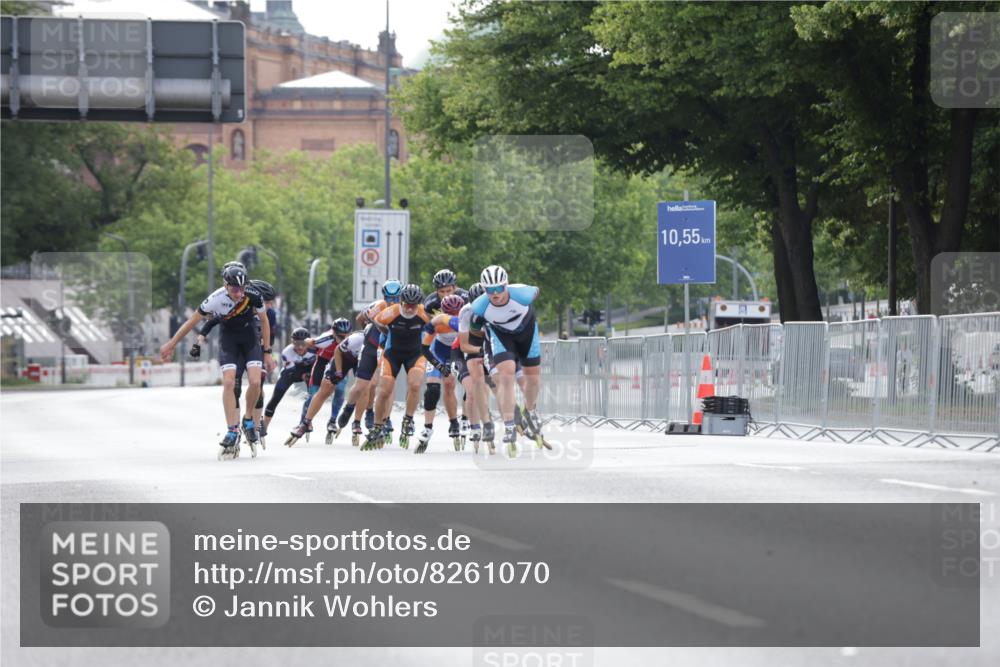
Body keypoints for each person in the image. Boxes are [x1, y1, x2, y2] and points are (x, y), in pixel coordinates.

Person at [160, 265, 275, 460]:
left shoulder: (253, 294)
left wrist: (267, 352)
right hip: (229, 341)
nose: (239, 293)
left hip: (250, 340)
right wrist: (171, 344)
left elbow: (264, 321)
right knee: (229, 382)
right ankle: (232, 429)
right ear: (225, 285)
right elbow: (192, 322)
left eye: (241, 288)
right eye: (234, 289)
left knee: (256, 382)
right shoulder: (215, 299)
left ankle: (248, 419)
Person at [469, 265, 543, 457]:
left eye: (499, 288)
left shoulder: (524, 295)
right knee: (506, 374)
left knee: (533, 379)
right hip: (502, 336)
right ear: (484, 290)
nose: (495, 294)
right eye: (490, 290)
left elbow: (537, 290)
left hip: (527, 332)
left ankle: (531, 410)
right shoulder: (479, 306)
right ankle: (509, 423)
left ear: (506, 285)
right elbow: (475, 330)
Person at [365, 284, 431, 450]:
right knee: (384, 390)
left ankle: (408, 420)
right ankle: (378, 426)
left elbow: (433, 328)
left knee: (415, 385)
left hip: (416, 354)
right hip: (392, 353)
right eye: (406, 304)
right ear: (401, 301)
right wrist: (386, 333)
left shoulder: (423, 313)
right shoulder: (392, 311)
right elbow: (376, 321)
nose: (409, 308)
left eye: (413, 305)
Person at [336, 280, 402, 446]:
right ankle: (349, 408)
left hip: (388, 349)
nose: (392, 301)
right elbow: (359, 318)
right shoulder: (378, 306)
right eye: (389, 297)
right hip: (371, 345)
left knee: (386, 384)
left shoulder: (404, 309)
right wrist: (369, 324)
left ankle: (385, 419)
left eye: (396, 298)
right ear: (383, 296)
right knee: (362, 385)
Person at [286, 327, 364, 447]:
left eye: (345, 336)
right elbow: (310, 342)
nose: (343, 338)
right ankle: (305, 422)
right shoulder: (328, 339)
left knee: (364, 386)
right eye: (340, 336)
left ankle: (355, 421)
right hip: (334, 359)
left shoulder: (369, 340)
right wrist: (306, 346)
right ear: (334, 334)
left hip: (360, 358)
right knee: (323, 390)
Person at [422, 270, 470, 443]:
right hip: (440, 345)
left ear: (455, 288)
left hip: (459, 345)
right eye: (441, 291)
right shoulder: (430, 304)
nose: (445, 295)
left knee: (459, 384)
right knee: (434, 389)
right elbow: (429, 331)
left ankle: (464, 418)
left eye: (449, 291)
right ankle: (448, 423)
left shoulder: (466, 299)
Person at [416, 292, 466, 453]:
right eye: (449, 313)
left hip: (455, 352)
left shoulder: (464, 321)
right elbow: (424, 348)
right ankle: (428, 427)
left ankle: (454, 423)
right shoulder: (437, 322)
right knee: (432, 390)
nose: (453, 316)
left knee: (450, 385)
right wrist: (440, 366)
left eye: (456, 313)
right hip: (438, 352)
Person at [457, 282, 494, 454]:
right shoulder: (466, 312)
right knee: (473, 390)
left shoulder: (496, 308)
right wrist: (481, 350)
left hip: (488, 348)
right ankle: (475, 427)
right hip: (469, 350)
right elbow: (464, 346)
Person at [259, 327, 314, 438]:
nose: (299, 347)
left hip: (309, 372)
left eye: (303, 343)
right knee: (276, 397)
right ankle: (264, 426)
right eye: (296, 343)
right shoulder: (287, 352)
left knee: (312, 395)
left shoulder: (315, 350)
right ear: (292, 342)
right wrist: (303, 375)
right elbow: (292, 371)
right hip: (291, 373)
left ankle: (306, 422)